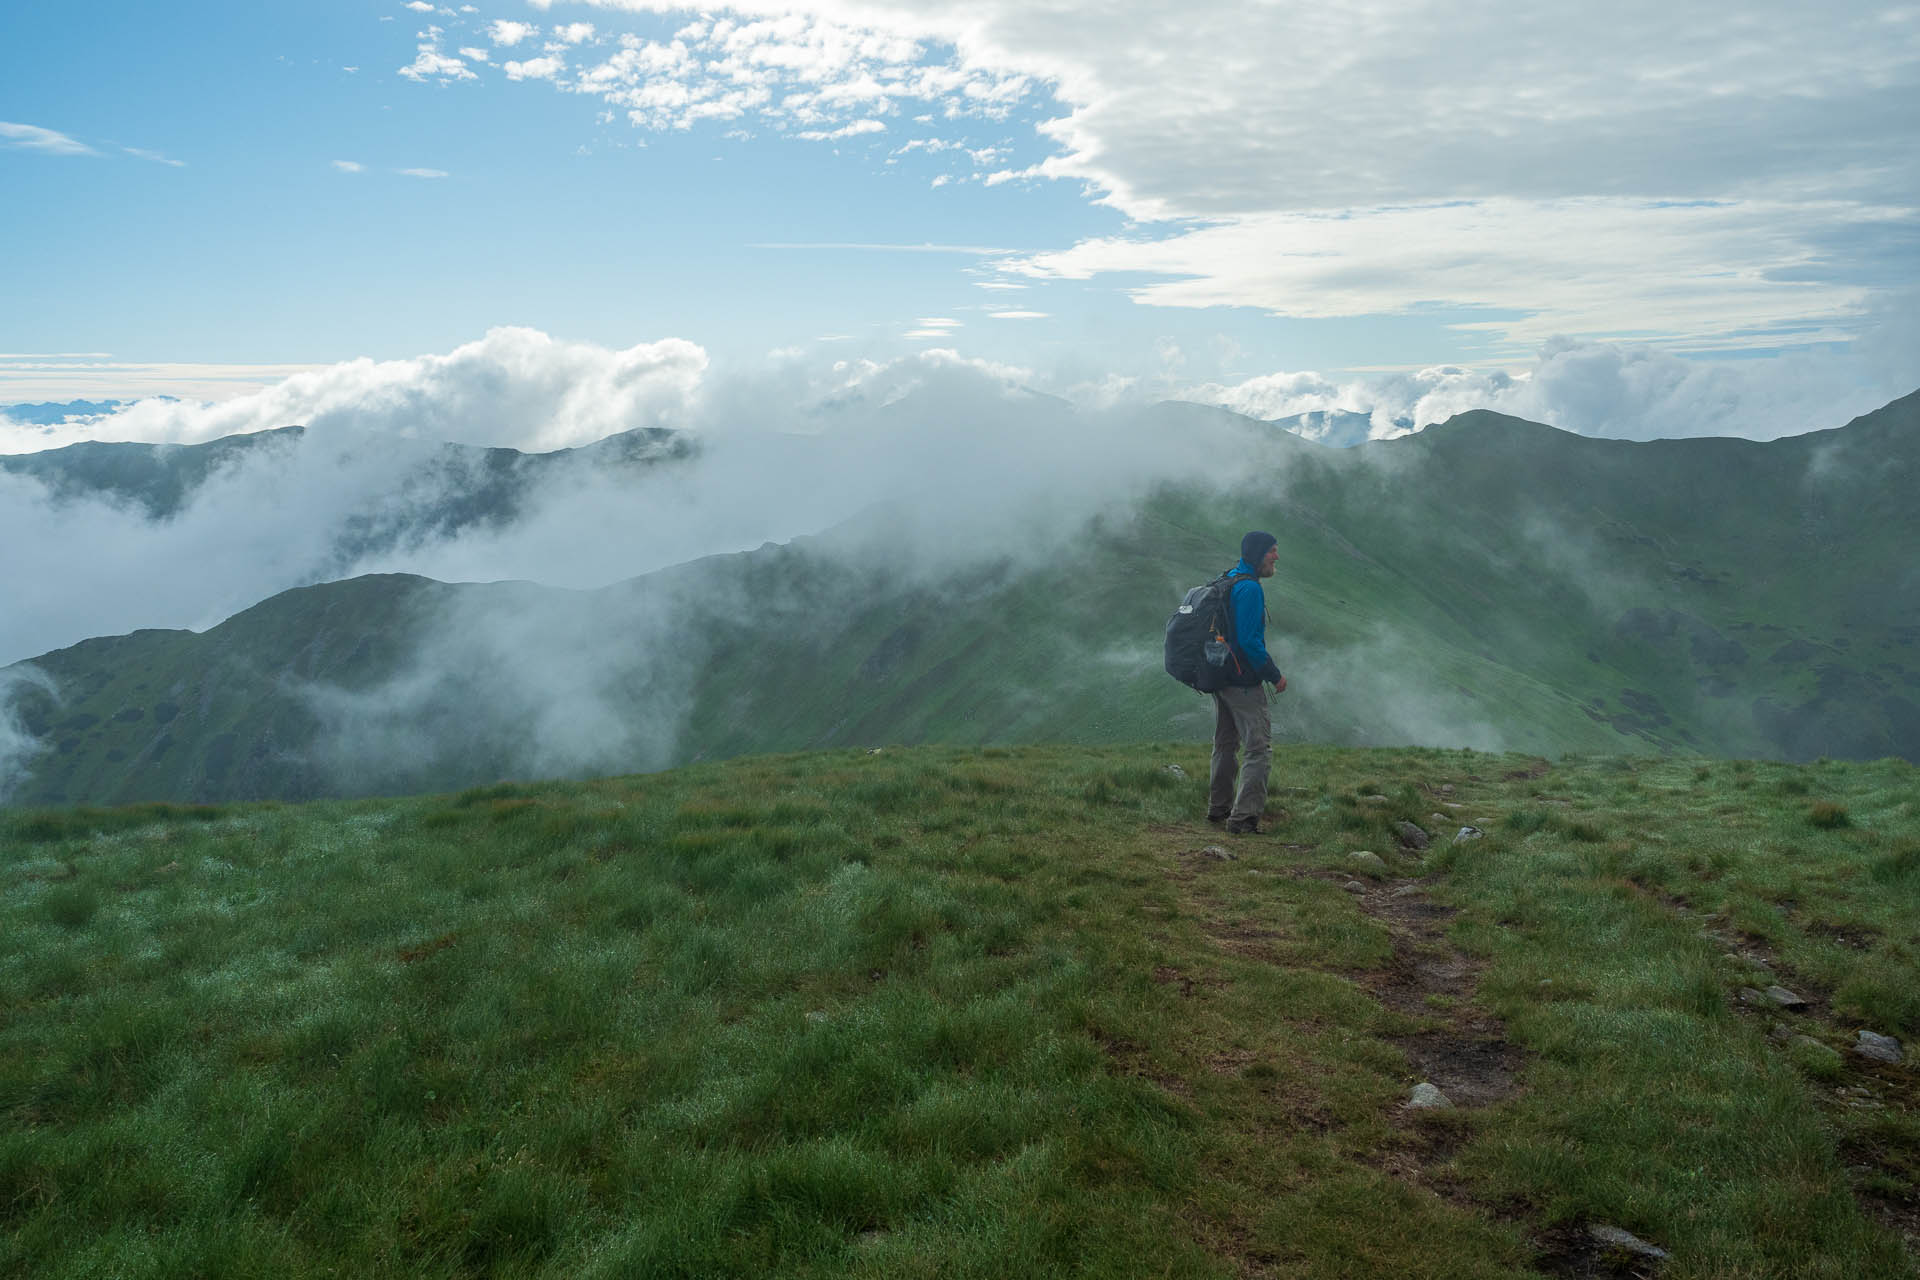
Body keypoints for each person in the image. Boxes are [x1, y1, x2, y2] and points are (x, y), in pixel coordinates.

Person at [1210, 531, 1288, 834]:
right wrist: (1274, 674)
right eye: (1272, 551)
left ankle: (1218, 809)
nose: (1276, 557)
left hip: (1221, 675)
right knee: (1258, 748)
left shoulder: (1229, 577)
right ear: (1259, 554)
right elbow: (1250, 641)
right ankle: (1243, 819)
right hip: (1243, 681)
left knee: (1225, 744)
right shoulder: (1251, 590)